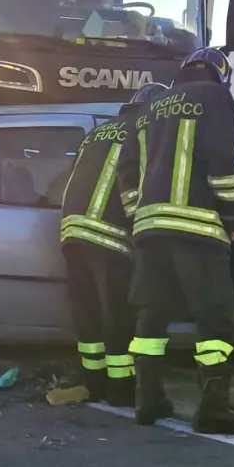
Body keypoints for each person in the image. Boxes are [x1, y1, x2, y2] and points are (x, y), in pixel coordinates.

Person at [116, 48, 234, 434]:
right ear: (221, 76)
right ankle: (214, 408)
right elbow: (222, 164)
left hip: (149, 230)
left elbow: (126, 173)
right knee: (215, 320)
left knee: (152, 315)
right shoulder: (215, 98)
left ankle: (147, 401)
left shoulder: (151, 105)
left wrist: (140, 220)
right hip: (197, 228)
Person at [58, 84, 159, 405]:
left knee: (87, 314)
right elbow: (138, 185)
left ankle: (95, 383)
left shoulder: (98, 132)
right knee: (117, 315)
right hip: (109, 234)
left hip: (73, 232)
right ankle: (120, 389)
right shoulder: (142, 132)